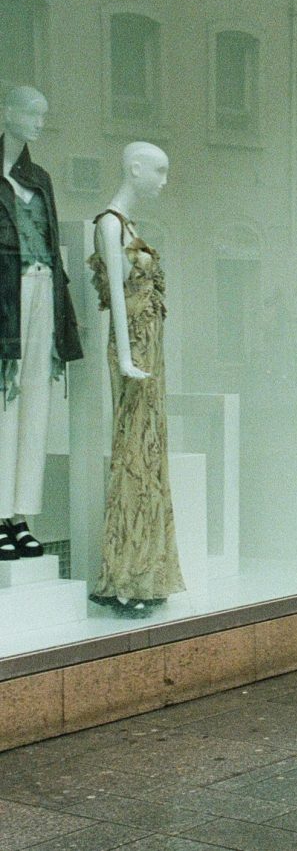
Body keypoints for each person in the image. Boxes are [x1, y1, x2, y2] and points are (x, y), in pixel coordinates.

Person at [87, 142, 183, 618]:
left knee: (148, 453)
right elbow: (118, 302)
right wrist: (125, 358)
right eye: (159, 170)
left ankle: (142, 572)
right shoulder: (108, 224)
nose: (164, 180)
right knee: (133, 455)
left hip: (149, 349)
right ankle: (125, 578)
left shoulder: (129, 226)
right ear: (135, 169)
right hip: (133, 351)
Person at [0, 86, 83, 560]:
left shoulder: (41, 178)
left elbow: (50, 245)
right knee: (3, 404)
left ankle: (20, 515)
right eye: (31, 113)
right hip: (5, 297)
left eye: (43, 114)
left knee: (36, 405)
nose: (38, 122)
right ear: (7, 112)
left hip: (41, 288)